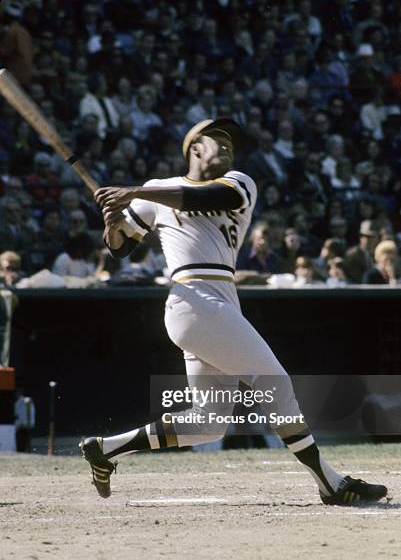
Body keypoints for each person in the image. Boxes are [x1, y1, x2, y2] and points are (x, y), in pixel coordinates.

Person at [80, 117, 387, 506]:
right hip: (192, 299)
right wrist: (112, 225)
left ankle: (105, 448)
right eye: (216, 140)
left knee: (208, 423)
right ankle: (330, 483)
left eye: (230, 143)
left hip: (220, 299)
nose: (227, 147)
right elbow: (121, 248)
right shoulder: (156, 192)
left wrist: (134, 192)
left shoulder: (238, 182)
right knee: (275, 382)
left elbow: (205, 199)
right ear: (193, 148)